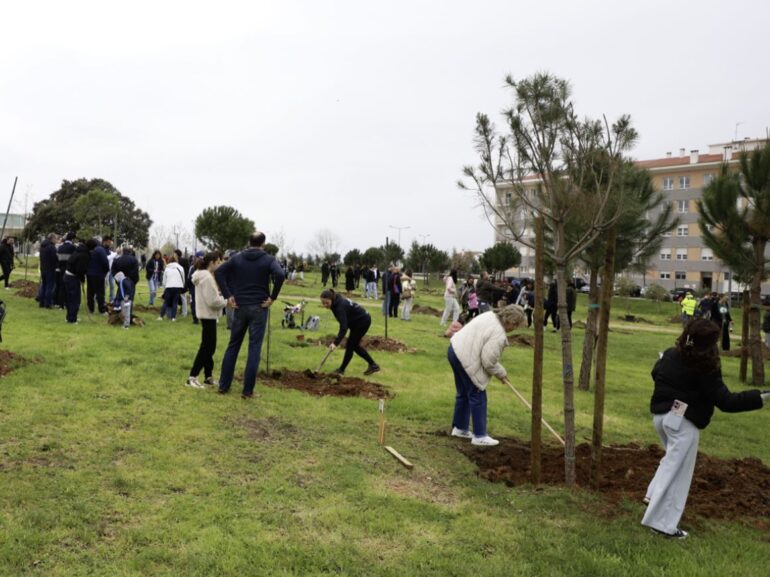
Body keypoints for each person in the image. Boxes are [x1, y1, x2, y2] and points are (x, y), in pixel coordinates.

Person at [641, 318, 769, 539]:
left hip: (661, 418)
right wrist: (762, 397)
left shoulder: (671, 354)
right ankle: (662, 524)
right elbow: (727, 402)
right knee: (679, 472)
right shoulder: (706, 367)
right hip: (683, 424)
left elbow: (656, 373)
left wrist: (677, 394)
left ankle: (653, 495)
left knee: (670, 461)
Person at [215, 232, 284, 398]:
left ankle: (223, 386)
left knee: (233, 345)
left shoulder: (237, 258)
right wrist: (273, 297)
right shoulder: (268, 259)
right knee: (254, 348)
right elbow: (280, 275)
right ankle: (247, 391)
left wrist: (228, 295)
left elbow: (219, 273)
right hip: (259, 307)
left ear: (249, 242)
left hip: (239, 306)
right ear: (263, 244)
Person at [448, 304, 526, 446]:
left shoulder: (489, 315)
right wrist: (501, 373)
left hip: (454, 350)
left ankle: (459, 428)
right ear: (510, 321)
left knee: (464, 393)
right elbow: (488, 361)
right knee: (478, 394)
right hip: (466, 357)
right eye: (515, 325)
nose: (513, 329)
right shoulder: (499, 334)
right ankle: (480, 436)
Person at [187, 251, 227, 389]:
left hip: (207, 315)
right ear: (213, 262)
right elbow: (213, 301)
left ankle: (208, 377)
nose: (220, 264)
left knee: (209, 347)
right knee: (206, 348)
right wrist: (226, 301)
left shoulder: (204, 275)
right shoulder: (207, 278)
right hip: (208, 315)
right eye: (219, 261)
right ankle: (192, 377)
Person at [320, 288, 379, 376]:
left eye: (327, 303)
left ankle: (341, 370)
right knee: (353, 346)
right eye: (323, 303)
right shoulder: (336, 301)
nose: (325, 305)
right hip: (356, 322)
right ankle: (373, 365)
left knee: (351, 346)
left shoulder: (340, 307)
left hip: (362, 321)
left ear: (332, 299)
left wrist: (335, 343)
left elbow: (344, 327)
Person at [63, 239, 93, 324]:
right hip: (73, 278)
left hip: (67, 275)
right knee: (75, 299)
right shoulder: (84, 255)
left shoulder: (78, 250)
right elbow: (80, 270)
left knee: (69, 299)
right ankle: (72, 319)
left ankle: (69, 317)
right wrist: (82, 279)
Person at [86, 236, 110, 314]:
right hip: (98, 274)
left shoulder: (89, 250)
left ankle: (91, 309)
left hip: (89, 274)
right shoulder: (100, 249)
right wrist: (105, 272)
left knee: (90, 292)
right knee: (100, 293)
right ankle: (102, 309)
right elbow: (105, 262)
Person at [158, 254, 186, 321]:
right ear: (176, 260)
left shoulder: (167, 268)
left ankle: (161, 316)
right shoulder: (181, 268)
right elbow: (183, 278)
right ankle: (173, 317)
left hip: (169, 286)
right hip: (178, 286)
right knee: (175, 302)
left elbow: (164, 280)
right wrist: (182, 285)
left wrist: (164, 288)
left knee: (166, 302)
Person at [37, 233, 59, 308]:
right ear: (52, 239)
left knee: (44, 285)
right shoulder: (51, 247)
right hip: (50, 269)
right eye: (56, 238)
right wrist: (56, 265)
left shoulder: (42, 246)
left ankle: (41, 302)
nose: (57, 240)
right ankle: (48, 303)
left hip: (43, 268)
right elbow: (54, 258)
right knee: (50, 286)